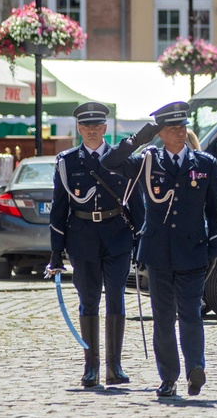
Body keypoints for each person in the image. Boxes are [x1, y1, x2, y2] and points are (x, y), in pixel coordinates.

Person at [101, 101, 217, 398]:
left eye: (183, 127)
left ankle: (196, 368)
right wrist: (143, 135)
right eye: (172, 128)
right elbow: (110, 162)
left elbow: (215, 213)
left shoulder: (204, 164)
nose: (180, 133)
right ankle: (168, 376)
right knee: (163, 317)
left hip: (193, 252)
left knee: (192, 313)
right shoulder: (148, 161)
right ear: (162, 133)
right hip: (157, 253)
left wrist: (214, 251)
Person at [47, 102, 144, 387]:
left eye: (96, 126)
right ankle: (91, 367)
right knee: (88, 301)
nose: (91, 131)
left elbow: (136, 202)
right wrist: (56, 253)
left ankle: (115, 366)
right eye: (86, 126)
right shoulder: (67, 161)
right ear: (79, 129)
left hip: (117, 237)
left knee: (116, 297)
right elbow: (58, 210)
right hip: (82, 238)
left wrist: (141, 242)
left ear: (105, 128)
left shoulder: (120, 158)